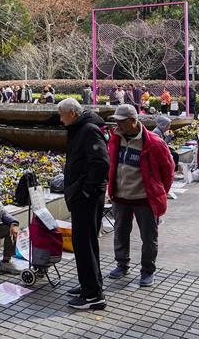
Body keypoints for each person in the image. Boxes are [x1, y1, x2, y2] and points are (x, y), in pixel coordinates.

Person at [107, 104, 173, 288]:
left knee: (149, 238)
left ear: (132, 121)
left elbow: (168, 171)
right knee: (120, 233)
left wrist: (158, 192)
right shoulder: (116, 139)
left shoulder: (154, 142)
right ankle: (122, 265)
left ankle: (147, 271)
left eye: (121, 121)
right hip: (120, 197)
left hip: (145, 199)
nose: (117, 125)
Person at [58, 98, 109, 311]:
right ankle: (89, 284)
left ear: (72, 113)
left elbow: (101, 163)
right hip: (82, 195)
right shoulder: (80, 128)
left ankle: (93, 295)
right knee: (83, 244)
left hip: (87, 197)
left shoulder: (88, 130)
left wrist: (86, 190)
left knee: (85, 243)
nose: (60, 120)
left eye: (62, 115)